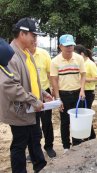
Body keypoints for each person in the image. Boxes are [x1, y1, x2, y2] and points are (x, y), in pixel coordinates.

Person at [0, 18, 53, 173]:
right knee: (19, 144)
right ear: (22, 34)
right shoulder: (10, 55)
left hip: (32, 107)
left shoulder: (26, 53)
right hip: (20, 110)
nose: (35, 39)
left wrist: (42, 94)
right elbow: (9, 85)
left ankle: (40, 167)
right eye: (33, 35)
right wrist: (33, 100)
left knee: (35, 139)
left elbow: (32, 79)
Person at [50, 34, 86, 153]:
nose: (69, 48)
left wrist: (82, 90)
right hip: (63, 94)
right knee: (65, 121)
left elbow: (83, 75)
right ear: (60, 46)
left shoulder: (79, 58)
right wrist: (58, 98)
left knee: (77, 119)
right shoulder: (55, 61)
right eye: (66, 46)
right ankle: (66, 146)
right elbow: (54, 80)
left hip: (77, 93)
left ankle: (77, 144)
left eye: (71, 45)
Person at [28, 41, 56, 158]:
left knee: (46, 121)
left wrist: (53, 90)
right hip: (28, 95)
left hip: (44, 92)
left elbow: (51, 74)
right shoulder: (22, 55)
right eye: (31, 39)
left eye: (35, 39)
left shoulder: (44, 54)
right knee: (32, 123)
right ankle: (34, 149)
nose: (33, 42)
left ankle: (49, 146)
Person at [74, 44, 97, 140]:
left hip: (88, 92)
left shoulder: (90, 64)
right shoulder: (78, 63)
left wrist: (84, 79)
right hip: (80, 91)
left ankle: (90, 136)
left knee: (85, 114)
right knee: (81, 114)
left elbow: (96, 77)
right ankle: (87, 135)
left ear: (82, 54)